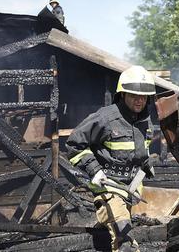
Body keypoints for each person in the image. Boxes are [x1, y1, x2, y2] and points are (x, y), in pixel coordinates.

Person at [66, 66, 158, 251]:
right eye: (134, 95)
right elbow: (74, 144)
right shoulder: (105, 118)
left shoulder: (145, 121)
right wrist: (94, 170)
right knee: (124, 237)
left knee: (112, 233)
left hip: (131, 190)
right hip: (107, 187)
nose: (140, 100)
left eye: (144, 96)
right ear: (122, 94)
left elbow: (139, 151)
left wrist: (146, 163)